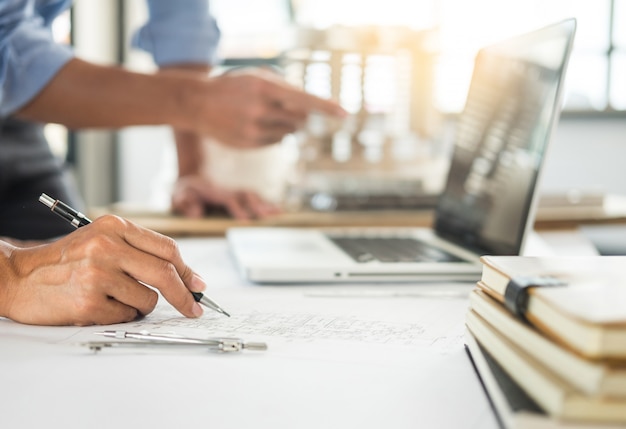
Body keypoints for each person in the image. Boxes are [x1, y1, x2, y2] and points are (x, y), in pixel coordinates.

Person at [0, 0, 345, 325]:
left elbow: (181, 23)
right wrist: (14, 277)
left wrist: (192, 171)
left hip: (14, 119)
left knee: (89, 278)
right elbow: (7, 52)